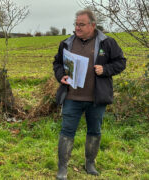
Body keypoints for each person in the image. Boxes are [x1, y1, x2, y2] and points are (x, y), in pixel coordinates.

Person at [53, 9, 126, 180]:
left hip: (96, 99)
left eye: (81, 24)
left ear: (92, 25)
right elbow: (57, 63)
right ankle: (62, 168)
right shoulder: (66, 43)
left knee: (94, 131)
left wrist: (105, 69)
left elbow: (121, 62)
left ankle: (90, 163)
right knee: (66, 131)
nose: (77, 28)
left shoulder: (107, 43)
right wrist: (60, 76)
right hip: (71, 97)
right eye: (76, 24)